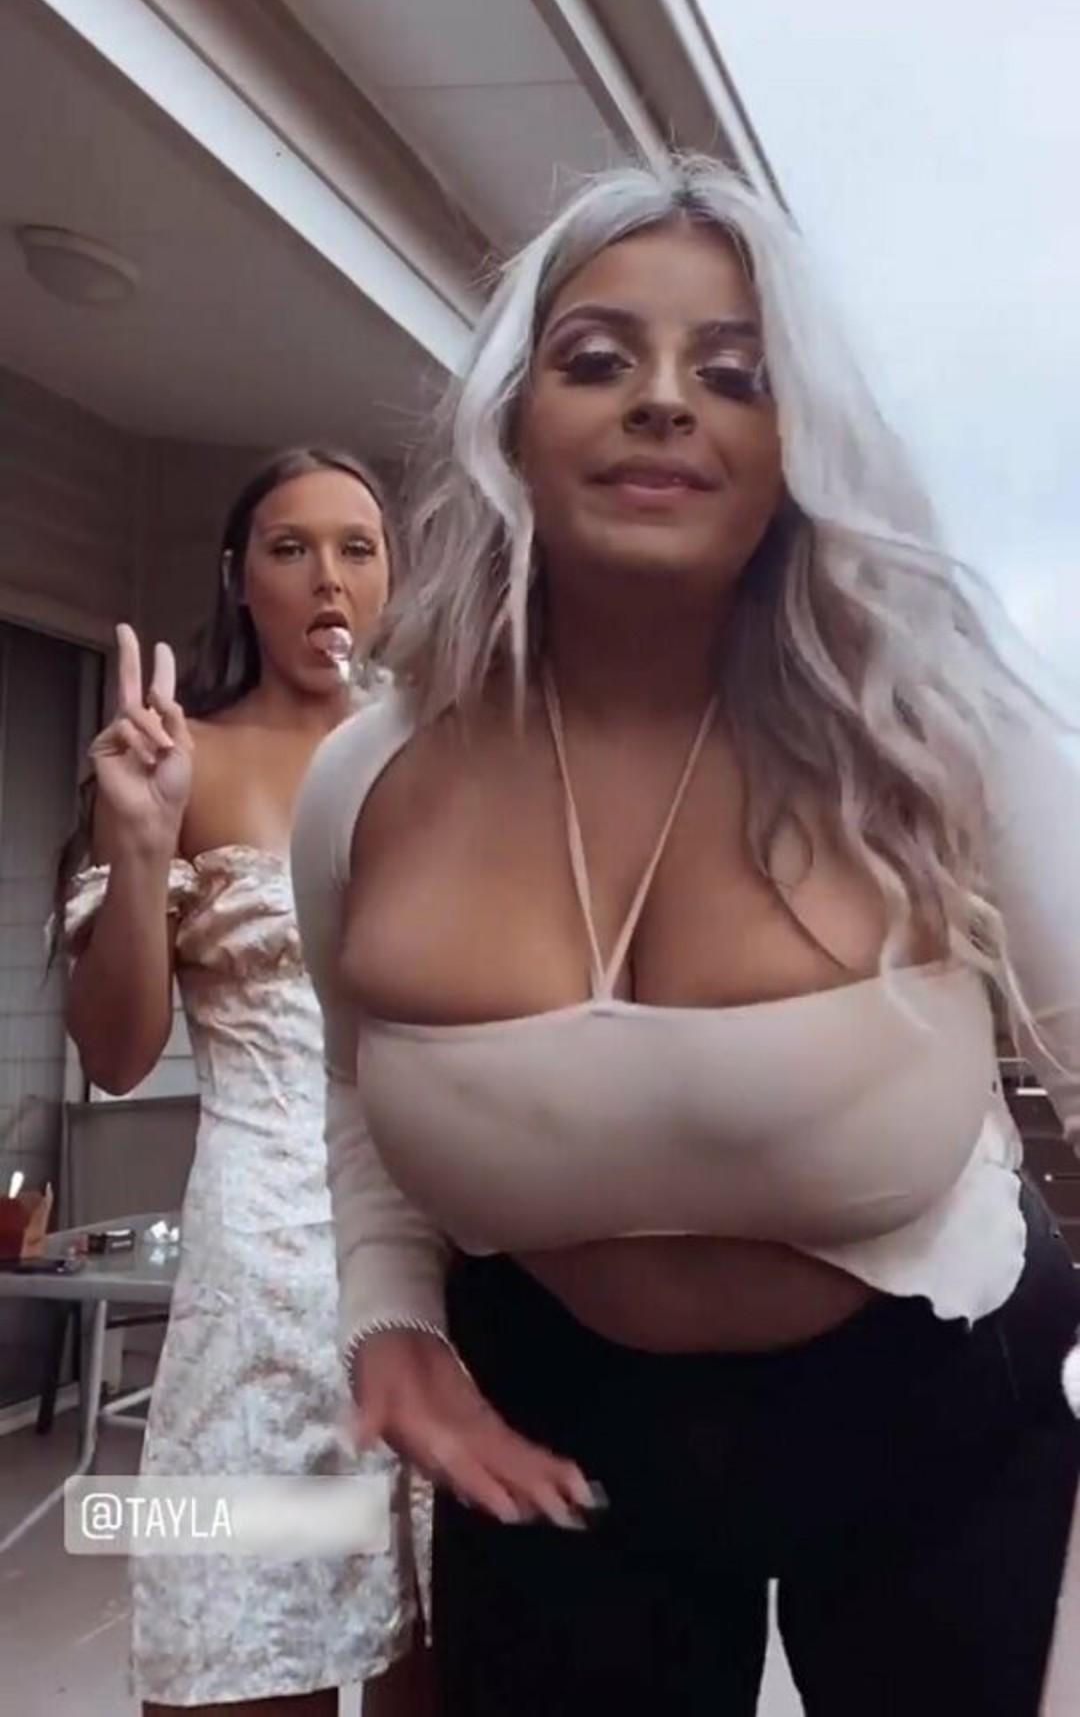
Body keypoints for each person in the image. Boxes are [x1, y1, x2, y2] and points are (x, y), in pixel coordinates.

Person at [291, 161, 1080, 1716]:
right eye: (598, 358)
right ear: (514, 417)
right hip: (551, 1431)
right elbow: (354, 1079)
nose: (664, 401)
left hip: (937, 1400)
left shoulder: (943, 741)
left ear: (800, 445)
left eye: (734, 373)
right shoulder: (366, 776)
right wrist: (389, 1316)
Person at [58, 450, 431, 1716]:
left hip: (450, 1275)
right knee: (244, 1650)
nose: (328, 576)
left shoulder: (448, 759)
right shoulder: (185, 760)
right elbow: (115, 1055)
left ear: (390, 578)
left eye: (357, 547)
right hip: (263, 1286)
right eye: (290, 547)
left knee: (454, 1656)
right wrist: (141, 834)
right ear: (239, 578)